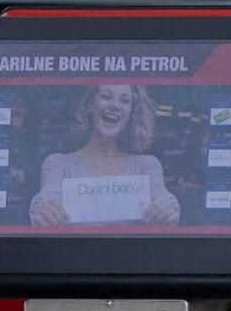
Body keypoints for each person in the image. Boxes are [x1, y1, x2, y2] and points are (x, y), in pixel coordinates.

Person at [28, 82, 181, 225]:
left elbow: (162, 197)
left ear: (132, 112)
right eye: (106, 97)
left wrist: (168, 208)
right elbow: (47, 197)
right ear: (90, 105)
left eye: (125, 101)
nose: (115, 105)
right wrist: (42, 209)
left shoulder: (146, 165)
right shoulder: (59, 164)